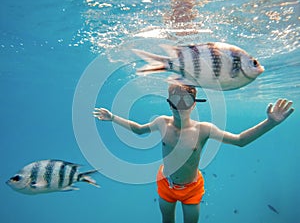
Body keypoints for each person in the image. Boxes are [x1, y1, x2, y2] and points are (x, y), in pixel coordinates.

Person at [93, 84, 294, 223]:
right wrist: (113, 117)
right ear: (169, 102)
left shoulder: (204, 129)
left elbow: (240, 141)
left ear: (194, 103)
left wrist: (270, 123)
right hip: (166, 183)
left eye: (186, 100)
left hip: (191, 189)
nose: (180, 106)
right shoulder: (162, 123)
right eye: (175, 100)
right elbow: (138, 129)